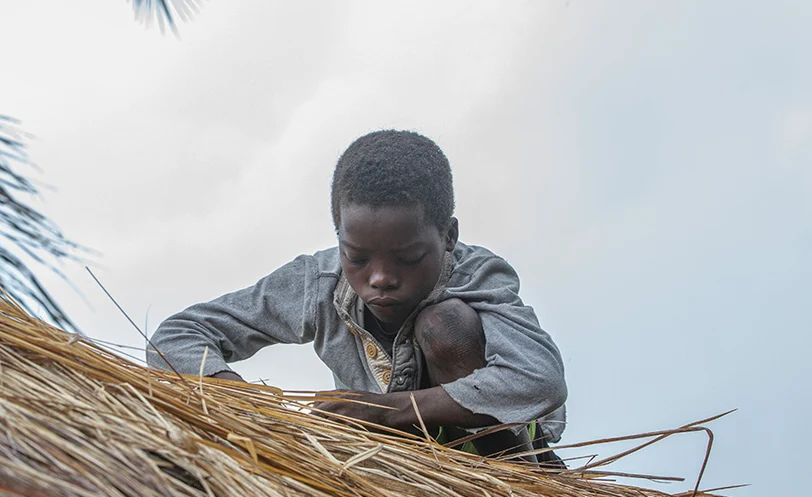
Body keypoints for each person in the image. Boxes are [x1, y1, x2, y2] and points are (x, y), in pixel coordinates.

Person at [147, 130, 567, 462]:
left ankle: (523, 491)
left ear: (449, 237)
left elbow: (537, 380)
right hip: (399, 465)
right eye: (358, 257)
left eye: (408, 258)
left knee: (446, 326)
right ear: (339, 241)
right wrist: (237, 397)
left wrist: (388, 409)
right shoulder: (318, 281)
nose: (381, 278)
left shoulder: (478, 273)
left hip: (509, 457)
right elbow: (180, 334)